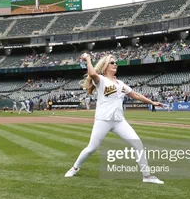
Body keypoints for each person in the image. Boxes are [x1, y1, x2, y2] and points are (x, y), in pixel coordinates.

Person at [64, 53, 166, 184]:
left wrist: (152, 102)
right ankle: (74, 167)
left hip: (119, 121)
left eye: (115, 62)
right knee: (92, 148)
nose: (115, 64)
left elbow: (135, 95)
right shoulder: (100, 80)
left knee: (138, 143)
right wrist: (88, 59)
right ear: (105, 66)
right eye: (112, 63)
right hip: (103, 120)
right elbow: (92, 73)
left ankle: (147, 176)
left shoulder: (121, 84)